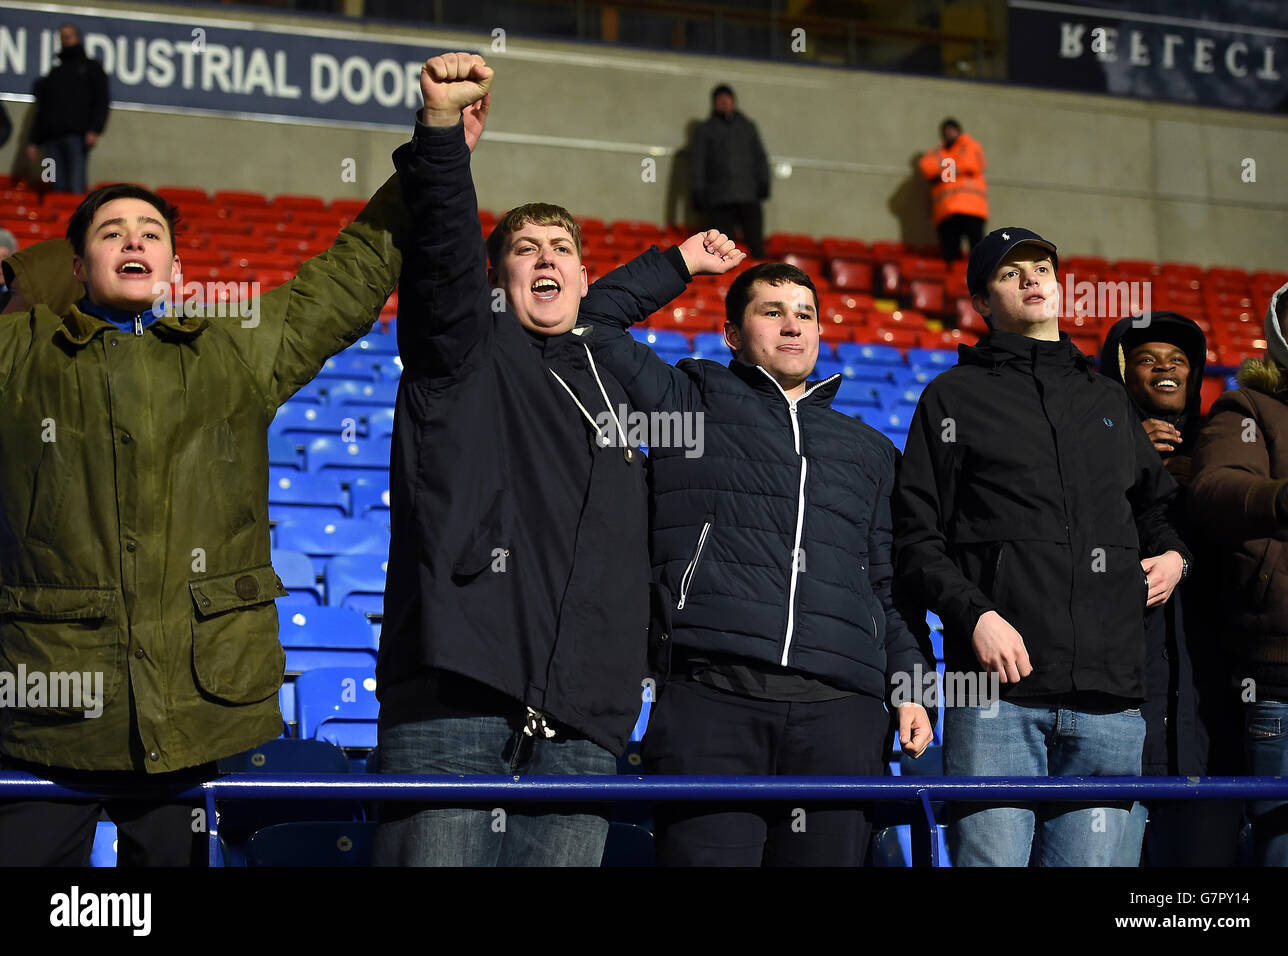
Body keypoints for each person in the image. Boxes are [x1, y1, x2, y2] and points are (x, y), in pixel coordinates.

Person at [0, 87, 488, 866]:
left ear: (175, 263)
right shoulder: (18, 356)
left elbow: (352, 274)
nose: (134, 240)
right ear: (77, 262)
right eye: (110, 231)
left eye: (151, 231)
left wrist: (435, 145)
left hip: (194, 715)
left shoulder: (232, 350)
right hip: (46, 713)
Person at [372, 53, 740, 868]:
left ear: (583, 273)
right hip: (457, 691)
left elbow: (597, 312)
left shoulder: (611, 375)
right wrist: (442, 141)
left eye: (561, 248)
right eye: (525, 248)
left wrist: (677, 262)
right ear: (497, 277)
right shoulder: (465, 350)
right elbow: (441, 259)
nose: (544, 259)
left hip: (586, 715)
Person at [580, 255, 936, 866]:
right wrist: (680, 263)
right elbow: (592, 320)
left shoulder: (871, 451)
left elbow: (889, 585)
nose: (793, 326)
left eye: (805, 315)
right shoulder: (686, 406)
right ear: (732, 335)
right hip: (712, 705)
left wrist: (913, 690)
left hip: (841, 719)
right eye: (772, 312)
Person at [894, 227, 1190, 867]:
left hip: (1111, 699)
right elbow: (917, 539)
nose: (1031, 279)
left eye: (1041, 268)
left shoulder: (1106, 398)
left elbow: (1157, 510)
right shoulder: (951, 397)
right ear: (980, 301)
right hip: (996, 698)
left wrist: (1173, 557)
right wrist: (974, 614)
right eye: (1010, 272)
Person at [1099, 312, 1241, 866]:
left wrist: (1192, 472)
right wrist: (1126, 449)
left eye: (1178, 360)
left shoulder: (1224, 454)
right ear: (1121, 373)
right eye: (1147, 359)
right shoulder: (1089, 448)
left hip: (1210, 718)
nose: (1165, 369)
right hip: (1117, 717)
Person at [1189, 276, 1288, 866]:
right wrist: (1286, 495)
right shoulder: (1250, 407)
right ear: (1282, 335)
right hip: (1285, 677)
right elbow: (1214, 489)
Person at [24, 23, 110, 193]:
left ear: (78, 37)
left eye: (69, 35)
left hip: (76, 137)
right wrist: (33, 141)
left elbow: (102, 100)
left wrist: (95, 129)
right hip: (50, 141)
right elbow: (42, 110)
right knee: (52, 183)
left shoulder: (91, 68)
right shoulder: (54, 73)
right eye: (63, 36)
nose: (66, 39)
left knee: (75, 184)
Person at [690, 84, 770, 258]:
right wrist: (698, 190)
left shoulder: (747, 127)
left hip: (748, 195)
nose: (725, 103)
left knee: (756, 244)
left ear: (734, 101)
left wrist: (764, 181)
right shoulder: (705, 129)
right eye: (720, 100)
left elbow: (760, 157)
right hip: (719, 198)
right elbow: (698, 162)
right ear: (714, 103)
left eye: (728, 99)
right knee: (722, 248)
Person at [917, 118, 987, 262]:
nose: (949, 134)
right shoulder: (936, 152)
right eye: (946, 131)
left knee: (979, 253)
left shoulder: (970, 145)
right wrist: (955, 168)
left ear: (958, 131)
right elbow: (927, 168)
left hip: (972, 209)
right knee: (950, 254)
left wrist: (941, 171)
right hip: (946, 211)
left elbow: (971, 165)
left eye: (952, 130)